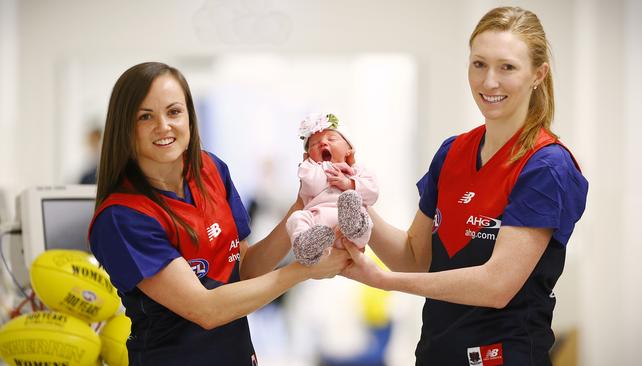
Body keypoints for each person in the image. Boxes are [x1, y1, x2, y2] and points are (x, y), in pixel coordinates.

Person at [341, 6, 588, 366]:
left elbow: (496, 286)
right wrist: (350, 198)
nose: (489, 81)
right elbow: (414, 258)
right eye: (479, 64)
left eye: (507, 67)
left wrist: (382, 281)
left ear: (538, 74)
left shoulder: (546, 166)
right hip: (436, 353)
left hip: (504, 356)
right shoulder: (453, 152)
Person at [88, 62, 350, 366]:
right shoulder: (123, 217)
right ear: (125, 126)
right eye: (146, 116)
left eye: (174, 112)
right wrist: (303, 270)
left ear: (189, 116)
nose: (164, 126)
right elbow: (206, 310)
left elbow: (245, 271)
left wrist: (302, 206)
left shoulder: (210, 169)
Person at [286, 113, 378, 265]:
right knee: (296, 219)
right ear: (308, 155)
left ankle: (353, 227)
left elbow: (373, 193)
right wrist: (329, 168)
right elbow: (312, 185)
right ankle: (306, 246)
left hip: (350, 232)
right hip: (317, 225)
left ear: (349, 149)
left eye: (331, 139)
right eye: (315, 144)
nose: (323, 144)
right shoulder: (309, 168)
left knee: (359, 210)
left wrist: (349, 184)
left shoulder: (358, 170)